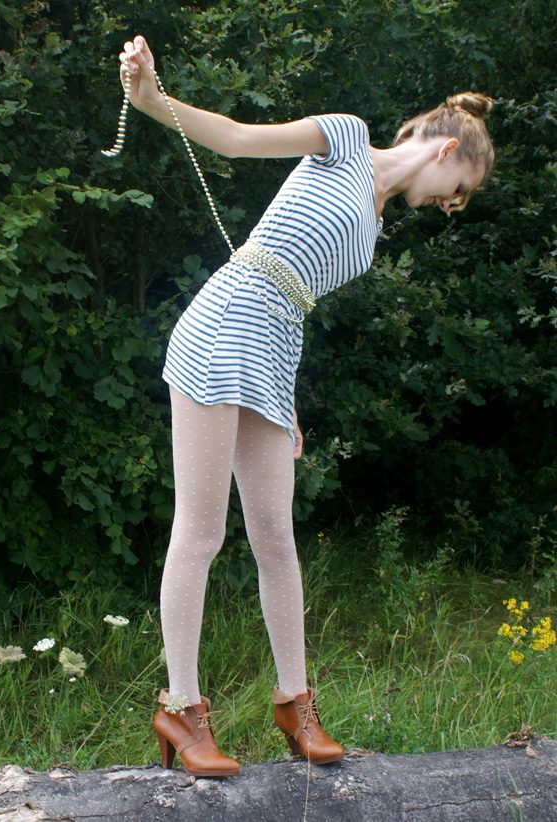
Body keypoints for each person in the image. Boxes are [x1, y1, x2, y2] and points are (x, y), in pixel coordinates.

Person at [115, 34, 494, 777]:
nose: (453, 206)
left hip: (270, 353)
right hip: (222, 325)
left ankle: (296, 704)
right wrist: (151, 100)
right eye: (463, 189)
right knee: (201, 532)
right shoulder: (345, 138)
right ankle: (181, 710)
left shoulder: (376, 231)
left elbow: (295, 305)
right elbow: (233, 139)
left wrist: (286, 406)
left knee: (276, 537)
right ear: (448, 150)